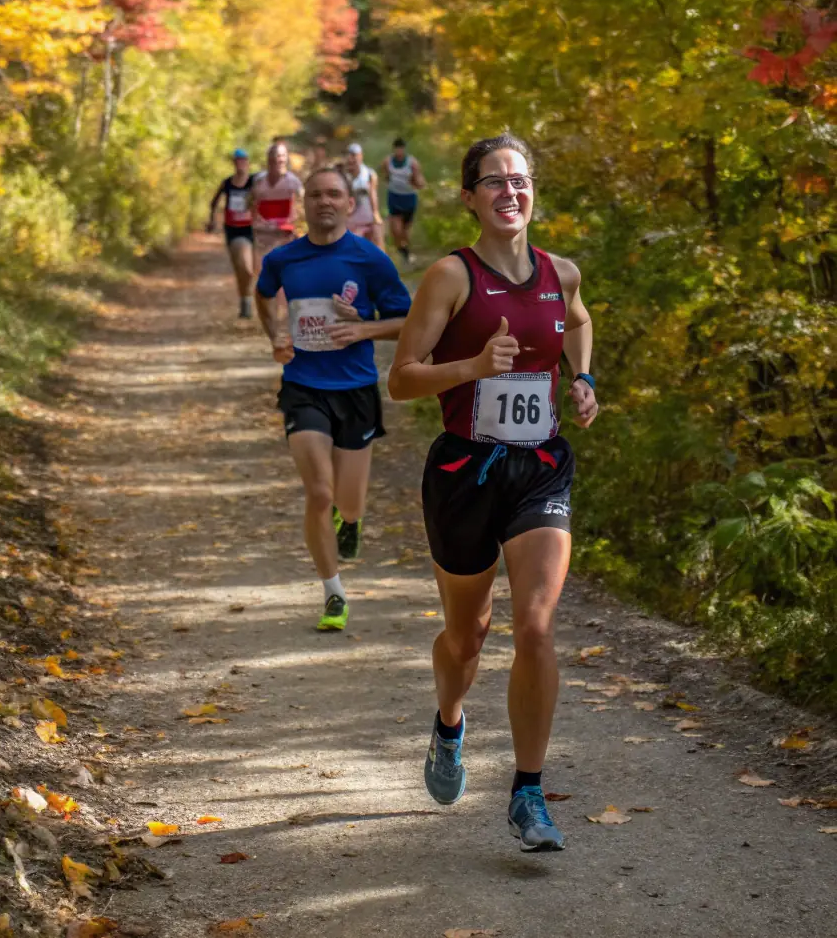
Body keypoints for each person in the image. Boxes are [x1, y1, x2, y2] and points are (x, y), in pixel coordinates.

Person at [388, 133, 598, 853]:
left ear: (533, 190)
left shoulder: (559, 272)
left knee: (535, 625)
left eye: (521, 180)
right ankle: (449, 721)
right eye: (494, 181)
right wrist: (474, 365)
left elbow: (579, 321)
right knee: (467, 633)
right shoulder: (451, 275)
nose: (510, 192)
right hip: (462, 472)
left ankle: (528, 791)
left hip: (539, 465)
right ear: (470, 195)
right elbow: (404, 376)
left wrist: (584, 376)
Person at [255, 166, 412, 632]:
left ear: (350, 203)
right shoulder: (284, 260)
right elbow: (264, 296)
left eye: (335, 194)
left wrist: (363, 327)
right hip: (303, 386)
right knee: (319, 492)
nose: (325, 201)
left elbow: (407, 319)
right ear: (304, 203)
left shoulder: (371, 260)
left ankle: (353, 520)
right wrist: (275, 335)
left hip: (356, 389)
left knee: (349, 501)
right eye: (316, 194)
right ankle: (334, 593)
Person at [207, 149, 256, 318]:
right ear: (234, 163)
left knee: (251, 269)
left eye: (243, 160)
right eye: (237, 161)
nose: (240, 164)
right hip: (234, 229)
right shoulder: (227, 183)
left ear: (248, 162)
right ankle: (246, 301)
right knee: (242, 267)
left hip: (254, 229)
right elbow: (214, 202)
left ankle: (248, 300)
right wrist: (212, 221)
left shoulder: (254, 181)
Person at [252, 141, 303, 261]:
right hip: (262, 234)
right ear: (269, 159)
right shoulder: (259, 181)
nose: (279, 159)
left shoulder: (293, 182)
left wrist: (297, 223)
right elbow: (250, 204)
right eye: (276, 155)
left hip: (285, 234)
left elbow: (304, 204)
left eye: (282, 156)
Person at [381, 137, 426, 265]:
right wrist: (390, 182)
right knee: (396, 230)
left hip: (409, 198)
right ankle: (402, 251)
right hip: (394, 197)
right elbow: (385, 176)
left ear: (404, 149)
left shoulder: (412, 163)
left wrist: (417, 182)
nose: (399, 151)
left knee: (405, 231)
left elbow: (420, 181)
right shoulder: (387, 161)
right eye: (397, 148)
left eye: (401, 148)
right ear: (394, 149)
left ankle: (406, 250)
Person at [343, 142, 384, 248]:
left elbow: (373, 193)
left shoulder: (369, 174)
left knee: (376, 246)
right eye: (349, 155)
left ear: (360, 156)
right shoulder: (342, 174)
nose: (351, 159)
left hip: (368, 218)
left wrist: (375, 213)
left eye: (354, 155)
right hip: (350, 220)